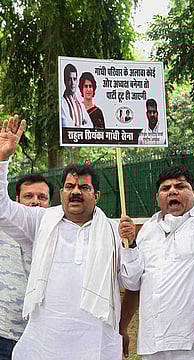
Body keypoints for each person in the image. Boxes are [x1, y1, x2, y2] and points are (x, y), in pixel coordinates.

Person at [120, 68, 194, 360]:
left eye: (180, 186)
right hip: (154, 346)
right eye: (165, 188)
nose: (172, 192)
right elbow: (132, 283)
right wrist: (130, 245)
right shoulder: (148, 230)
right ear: (157, 197)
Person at [0, 116, 136, 359]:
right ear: (61, 192)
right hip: (45, 343)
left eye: (83, 188)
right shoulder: (41, 222)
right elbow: (2, 210)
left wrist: (131, 245)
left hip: (95, 343)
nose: (75, 192)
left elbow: (133, 281)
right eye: (69, 186)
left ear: (97, 195)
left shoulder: (114, 231)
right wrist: (2, 160)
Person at [0, 174, 53, 359]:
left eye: (42, 197)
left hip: (41, 336)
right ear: (16, 199)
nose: (35, 202)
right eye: (28, 196)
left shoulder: (59, 236)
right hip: (3, 334)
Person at [61, 63, 93, 128]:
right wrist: (82, 126)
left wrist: (78, 127)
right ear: (65, 81)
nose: (73, 83)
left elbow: (90, 125)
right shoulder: (62, 103)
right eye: (70, 79)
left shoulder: (80, 105)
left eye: (74, 79)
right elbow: (68, 127)